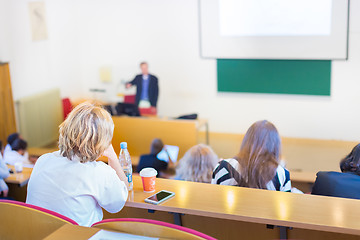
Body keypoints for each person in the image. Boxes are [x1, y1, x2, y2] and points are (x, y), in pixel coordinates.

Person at [26, 102, 129, 226]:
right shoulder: (99, 172)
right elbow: (118, 203)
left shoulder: (43, 160)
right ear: (102, 141)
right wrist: (112, 156)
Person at [212, 120, 291, 192]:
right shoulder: (282, 174)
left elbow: (213, 198)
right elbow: (285, 206)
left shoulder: (222, 167)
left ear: (247, 140)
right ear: (275, 145)